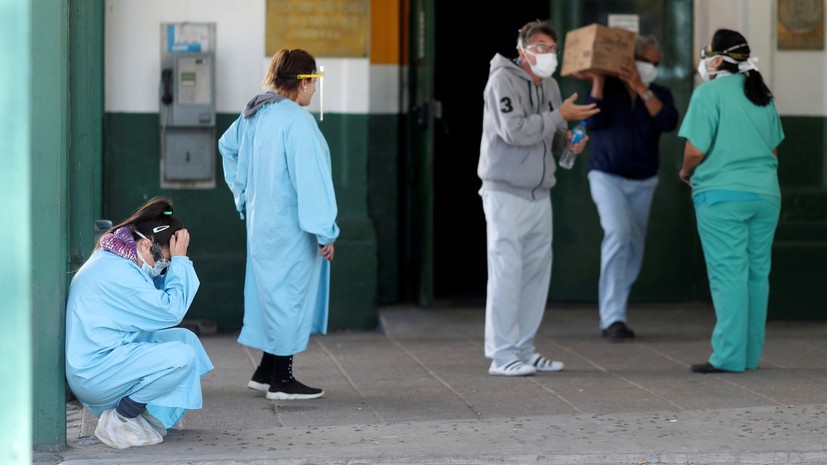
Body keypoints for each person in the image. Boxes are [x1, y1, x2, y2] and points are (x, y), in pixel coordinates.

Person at [478, 19, 599, 376]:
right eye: (541, 48)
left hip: (539, 192)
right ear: (522, 51)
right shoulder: (501, 80)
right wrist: (557, 117)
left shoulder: (550, 86)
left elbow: (553, 136)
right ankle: (502, 356)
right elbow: (514, 131)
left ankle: (525, 350)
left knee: (534, 274)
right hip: (504, 192)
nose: (548, 55)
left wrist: (569, 144)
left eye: (552, 49)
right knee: (506, 272)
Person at [218, 49, 339, 398]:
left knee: (269, 296)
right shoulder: (298, 123)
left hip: (261, 226)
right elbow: (312, 182)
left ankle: (265, 369)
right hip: (293, 229)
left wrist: (243, 195)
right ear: (302, 82)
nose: (313, 92)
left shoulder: (255, 114)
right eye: (312, 83)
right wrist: (324, 231)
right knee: (288, 297)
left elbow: (228, 148)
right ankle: (282, 380)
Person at [65, 196, 213, 449]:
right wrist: (180, 261)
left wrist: (172, 261)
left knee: (186, 340)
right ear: (146, 247)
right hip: (96, 374)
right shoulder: (116, 272)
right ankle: (122, 418)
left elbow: (156, 301)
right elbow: (170, 311)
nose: (163, 268)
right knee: (182, 357)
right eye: (164, 262)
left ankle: (148, 417)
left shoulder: (118, 260)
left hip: (106, 362)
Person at [678, 29, 784, 373]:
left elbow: (695, 149)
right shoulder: (763, 96)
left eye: (708, 54)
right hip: (766, 195)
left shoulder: (708, 95)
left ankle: (727, 357)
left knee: (728, 275)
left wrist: (684, 171)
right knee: (757, 274)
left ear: (718, 58)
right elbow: (773, 149)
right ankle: (749, 356)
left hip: (721, 195)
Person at [582, 35, 679, 342]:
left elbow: (668, 121)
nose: (650, 66)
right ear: (631, 59)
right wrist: (598, 80)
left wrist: (641, 87)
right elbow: (592, 123)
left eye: (655, 63)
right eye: (645, 60)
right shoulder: (609, 88)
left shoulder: (659, 92)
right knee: (618, 233)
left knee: (633, 247)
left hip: (643, 180)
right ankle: (612, 317)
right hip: (606, 175)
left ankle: (616, 310)